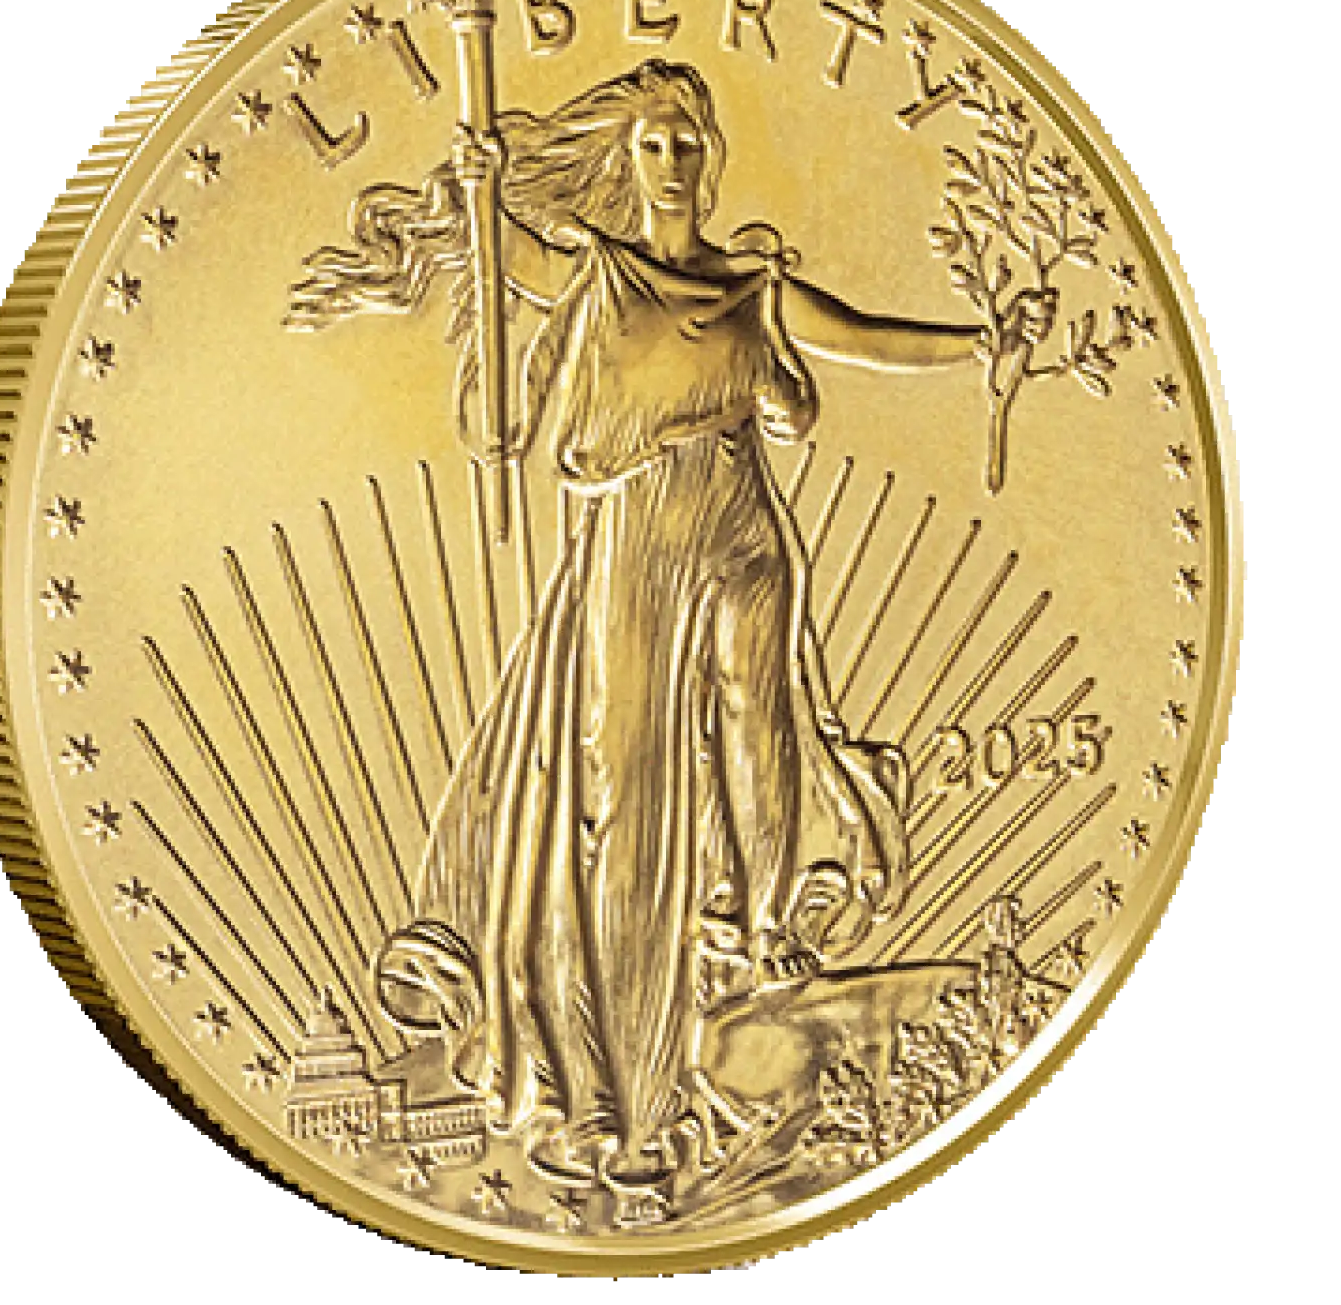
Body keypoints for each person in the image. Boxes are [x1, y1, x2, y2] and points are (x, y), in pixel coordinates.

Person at [287, 58, 1051, 1208]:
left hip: (743, 530)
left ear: (712, 155)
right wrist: (481, 189)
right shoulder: (598, 272)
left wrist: (982, 346)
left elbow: (862, 336)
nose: (673, 159)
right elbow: (519, 261)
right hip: (635, 541)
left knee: (760, 734)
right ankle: (620, 1072)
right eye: (653, 142)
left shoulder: (751, 285)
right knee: (623, 787)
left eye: (689, 140)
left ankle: (760, 939)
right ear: (628, 159)